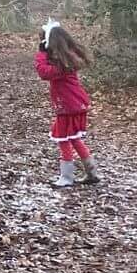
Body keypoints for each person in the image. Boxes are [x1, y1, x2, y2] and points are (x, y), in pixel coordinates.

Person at [36, 19, 99, 186]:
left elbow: (43, 73)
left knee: (63, 139)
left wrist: (41, 53)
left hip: (68, 106)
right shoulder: (68, 59)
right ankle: (91, 171)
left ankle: (66, 177)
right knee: (74, 139)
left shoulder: (62, 64)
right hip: (76, 104)